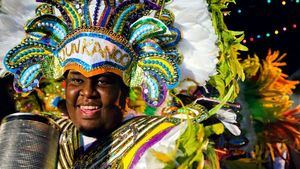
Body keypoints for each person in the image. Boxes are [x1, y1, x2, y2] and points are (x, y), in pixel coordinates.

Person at [2, 0, 246, 168]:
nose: (87, 92)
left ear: (124, 90)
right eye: (76, 80)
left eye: (103, 81)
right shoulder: (41, 133)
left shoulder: (166, 138)